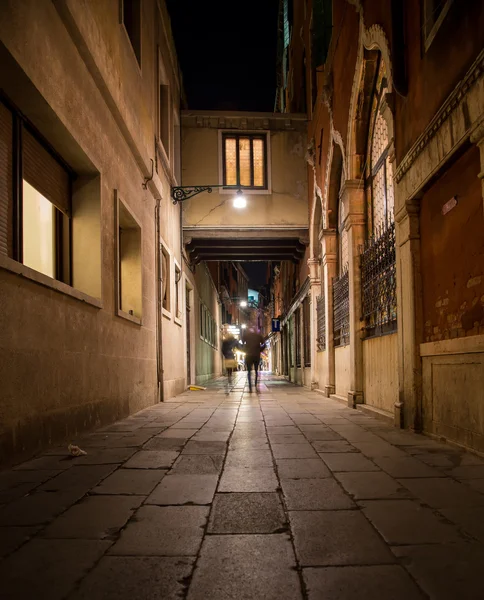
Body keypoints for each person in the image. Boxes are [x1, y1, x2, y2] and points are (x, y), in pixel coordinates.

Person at [243, 326, 264, 392]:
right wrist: (259, 350)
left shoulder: (246, 336)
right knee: (256, 371)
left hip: (248, 355)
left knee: (249, 372)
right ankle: (256, 385)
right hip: (256, 355)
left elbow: (242, 343)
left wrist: (245, 350)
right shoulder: (258, 336)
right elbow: (264, 344)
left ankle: (250, 388)